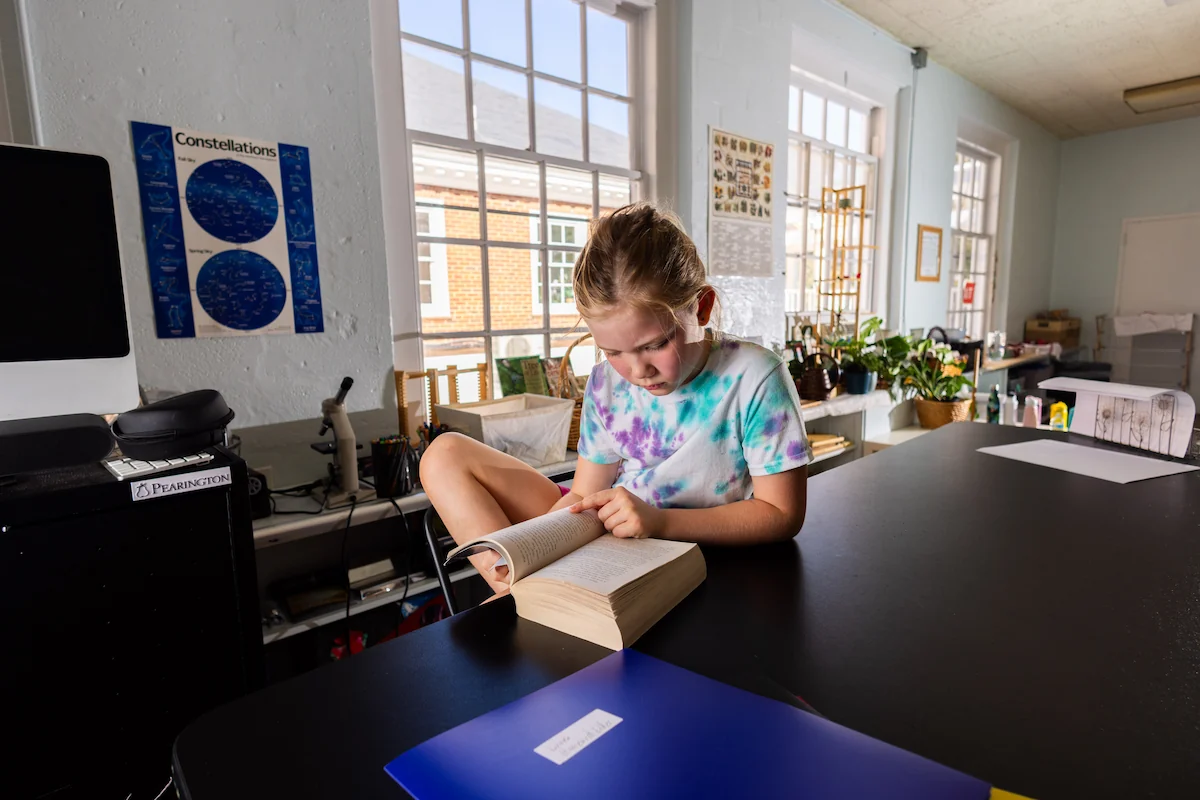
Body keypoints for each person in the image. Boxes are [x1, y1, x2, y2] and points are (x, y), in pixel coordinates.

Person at [421, 203, 811, 597]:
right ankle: (513, 588)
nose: (637, 371)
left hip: (691, 551)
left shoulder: (755, 376)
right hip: (611, 538)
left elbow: (781, 515)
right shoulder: (605, 383)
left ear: (702, 306)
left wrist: (659, 522)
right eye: (612, 351)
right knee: (443, 454)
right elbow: (584, 493)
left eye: (655, 344)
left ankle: (521, 598)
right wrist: (536, 545)